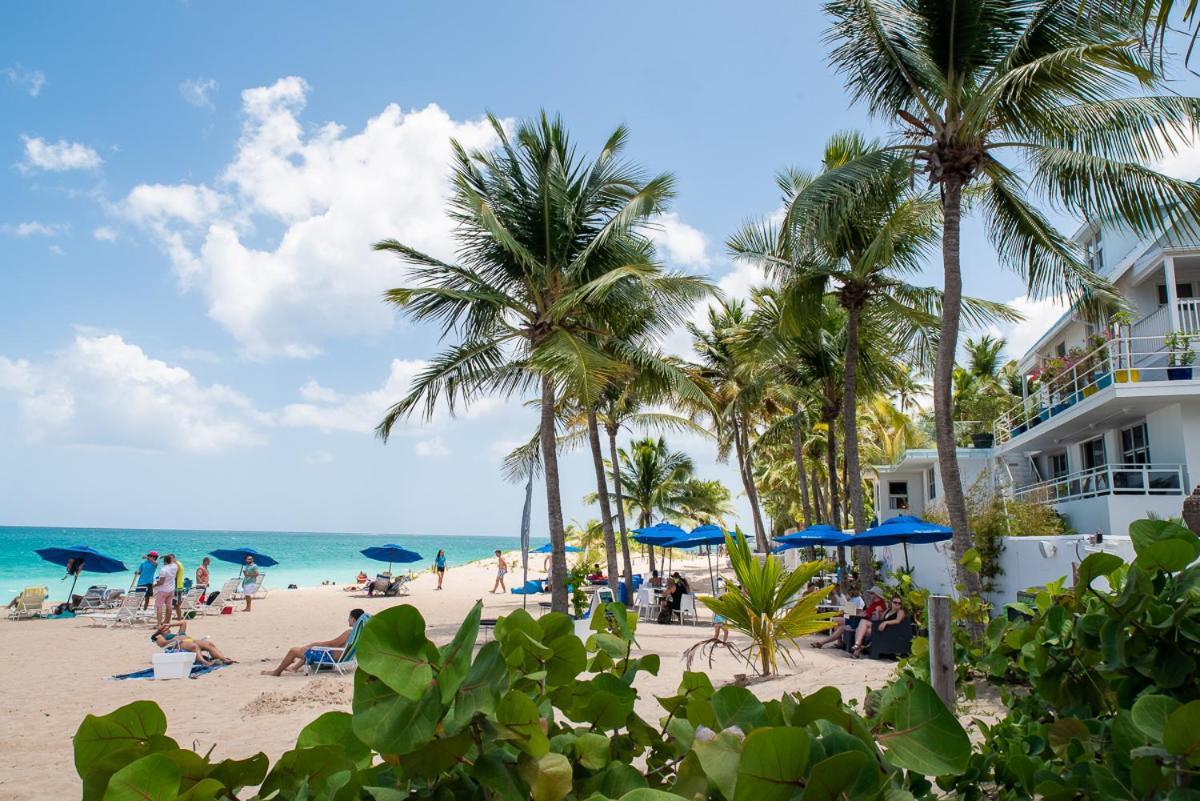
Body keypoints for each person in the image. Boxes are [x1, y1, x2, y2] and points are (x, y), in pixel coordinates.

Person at [262, 609, 366, 676]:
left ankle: (276, 672)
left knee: (293, 650)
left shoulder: (349, 632)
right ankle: (294, 668)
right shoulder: (360, 634)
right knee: (309, 650)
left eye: (349, 618)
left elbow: (332, 644)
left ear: (353, 619)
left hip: (330, 657)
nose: (348, 620)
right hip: (342, 657)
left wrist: (315, 644)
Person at [149, 621, 234, 666]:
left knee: (208, 644)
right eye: (162, 627)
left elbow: (183, 622)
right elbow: (162, 644)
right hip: (179, 644)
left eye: (165, 626)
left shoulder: (179, 633)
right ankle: (204, 662)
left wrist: (169, 624)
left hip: (189, 640)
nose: (164, 627)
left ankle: (223, 659)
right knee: (194, 646)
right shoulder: (160, 636)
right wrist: (174, 640)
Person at [153, 555, 178, 628]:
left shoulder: (163, 570)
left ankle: (158, 624)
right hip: (171, 589)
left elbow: (161, 582)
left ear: (164, 561)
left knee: (159, 607)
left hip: (163, 590)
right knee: (169, 606)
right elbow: (175, 560)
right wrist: (167, 556)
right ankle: (167, 622)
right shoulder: (175, 566)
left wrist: (154, 585)